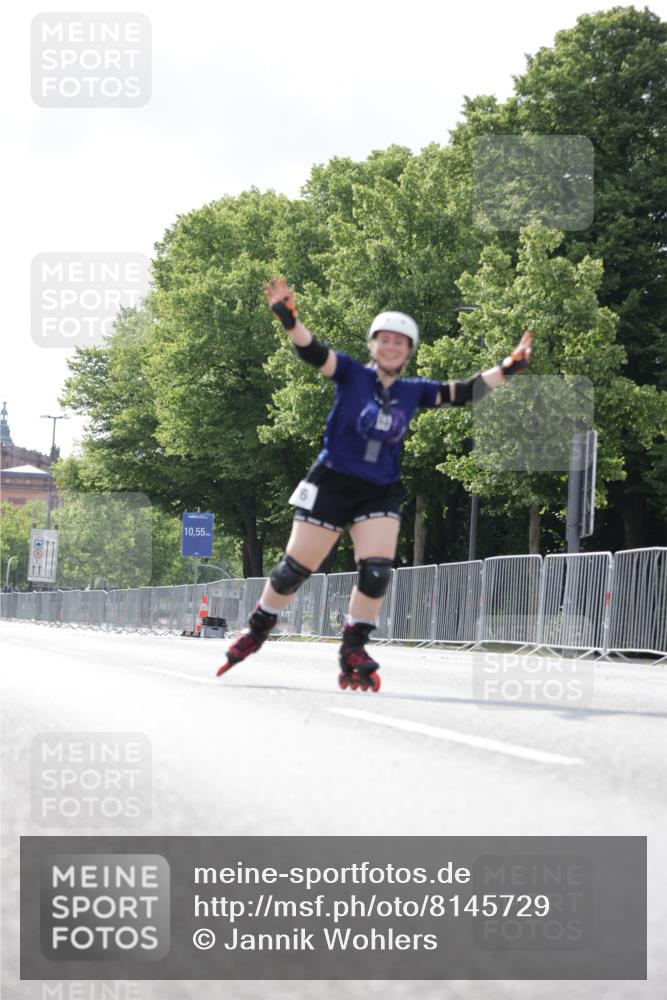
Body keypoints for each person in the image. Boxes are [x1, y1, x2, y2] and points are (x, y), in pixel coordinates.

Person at [217, 277, 532, 690]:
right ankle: (257, 630)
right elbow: (313, 352)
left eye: (400, 343)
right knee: (294, 570)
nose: (391, 346)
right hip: (332, 481)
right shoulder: (350, 374)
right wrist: (289, 318)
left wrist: (508, 368)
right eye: (384, 339)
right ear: (372, 344)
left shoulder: (413, 391)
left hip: (378, 488)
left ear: (409, 352)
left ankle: (353, 646)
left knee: (378, 572)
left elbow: (465, 392)